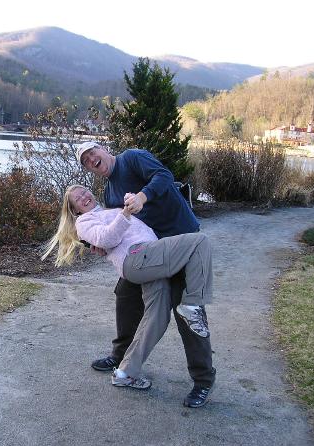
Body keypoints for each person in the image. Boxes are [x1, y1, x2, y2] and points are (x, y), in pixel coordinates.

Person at [75, 141, 216, 408]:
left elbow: (164, 176)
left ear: (104, 149)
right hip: (149, 252)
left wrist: (142, 196)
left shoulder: (132, 158)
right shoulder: (109, 193)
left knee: (188, 312)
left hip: (180, 242)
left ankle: (203, 380)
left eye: (92, 153)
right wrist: (96, 245)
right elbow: (114, 227)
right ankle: (121, 357)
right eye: (85, 161)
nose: (91, 159)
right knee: (125, 296)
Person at [43, 185, 213, 392]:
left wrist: (130, 203)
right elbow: (106, 238)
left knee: (157, 318)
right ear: (75, 209)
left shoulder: (108, 211)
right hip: (139, 256)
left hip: (150, 262)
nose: (84, 196)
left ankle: (125, 373)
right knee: (199, 242)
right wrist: (125, 213)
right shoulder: (84, 221)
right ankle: (193, 305)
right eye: (78, 198)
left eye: (85, 191)